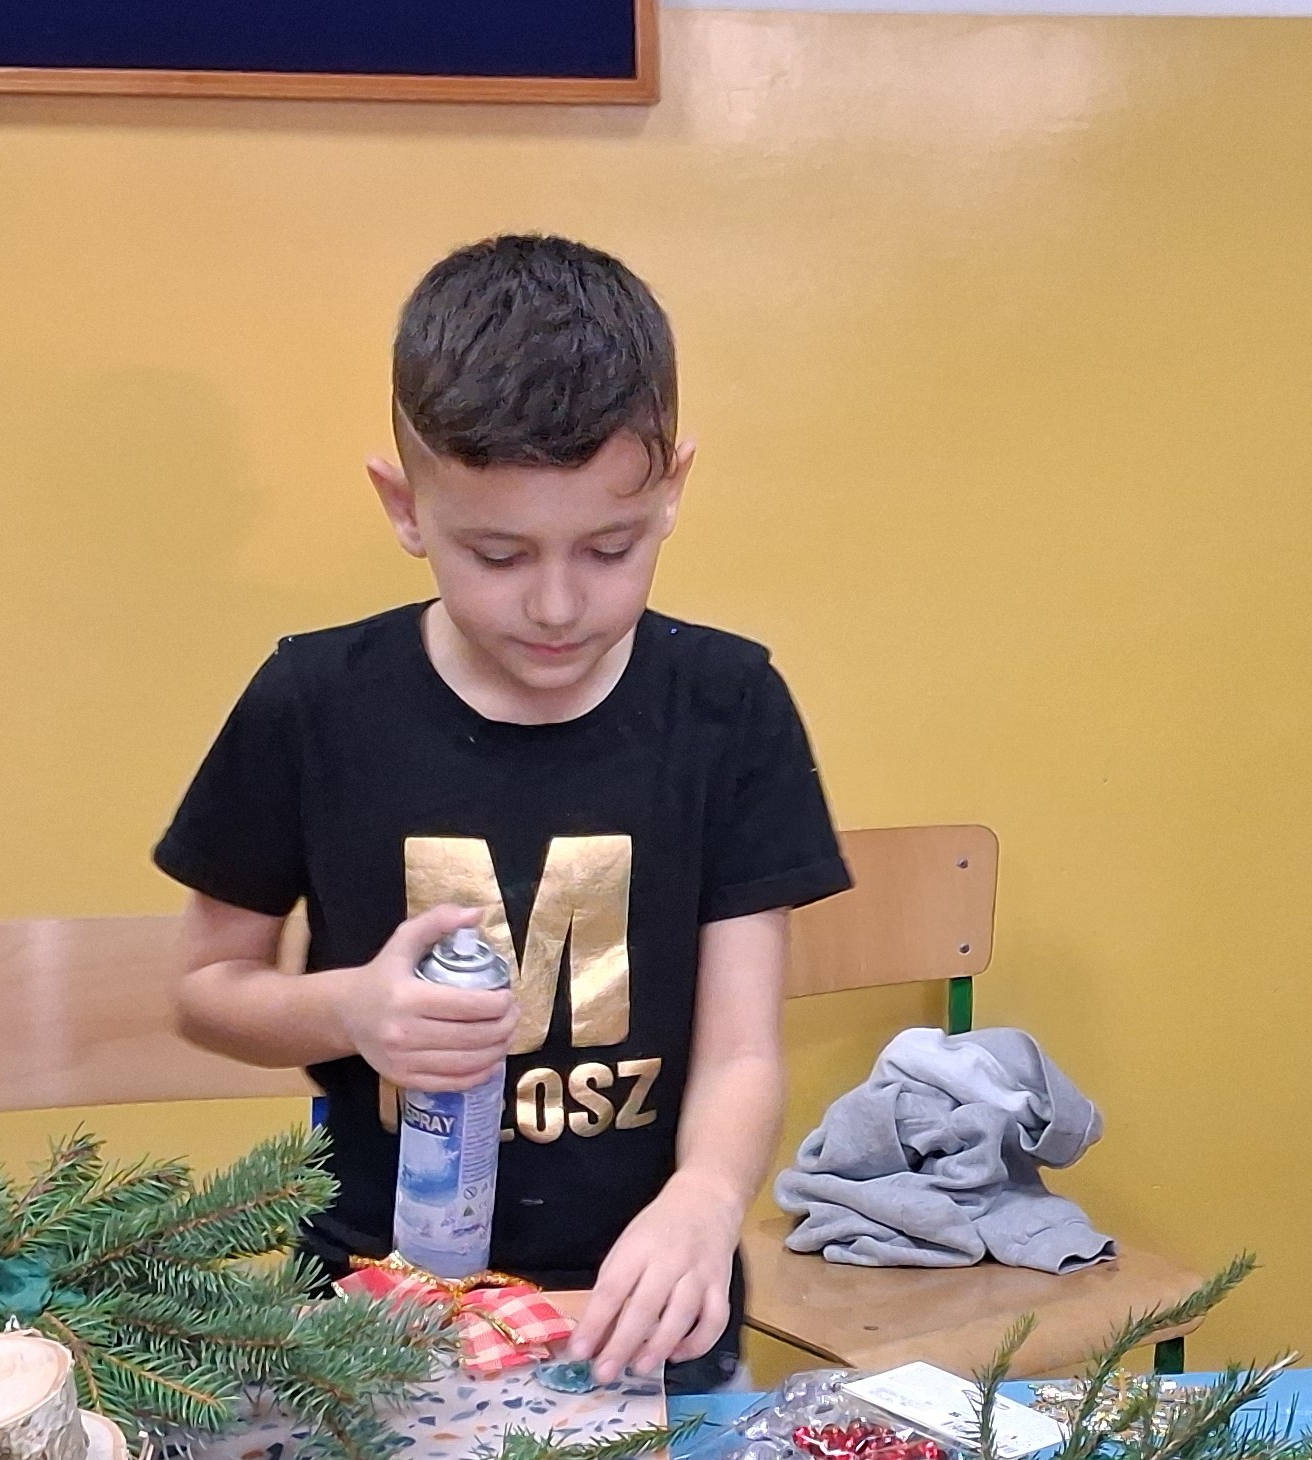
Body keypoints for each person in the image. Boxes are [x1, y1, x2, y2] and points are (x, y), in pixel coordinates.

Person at [158, 234, 851, 1388]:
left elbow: (740, 1050)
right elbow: (205, 989)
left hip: (643, 1305)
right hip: (374, 1308)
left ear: (672, 491)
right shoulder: (313, 704)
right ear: (405, 506)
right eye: (497, 554)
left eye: (610, 547)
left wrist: (707, 1198)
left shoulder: (730, 706)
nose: (558, 605)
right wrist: (351, 1009)